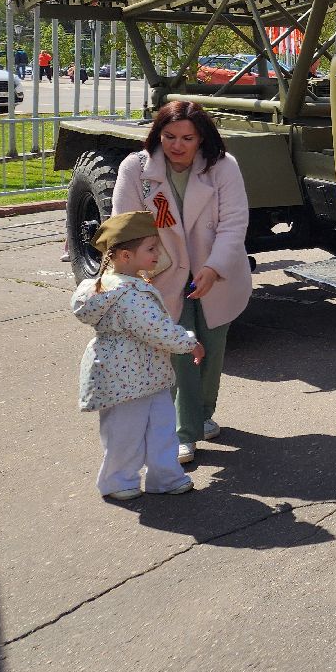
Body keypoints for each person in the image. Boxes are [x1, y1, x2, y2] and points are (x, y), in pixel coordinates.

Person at [111, 101, 252, 465]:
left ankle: (202, 414)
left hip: (216, 275)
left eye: (187, 138)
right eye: (169, 136)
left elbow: (234, 224)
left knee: (213, 350)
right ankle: (183, 432)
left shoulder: (223, 167)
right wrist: (134, 271)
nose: (177, 145)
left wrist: (214, 268)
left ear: (201, 138)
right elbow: (124, 226)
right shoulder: (136, 169)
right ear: (157, 135)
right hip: (162, 276)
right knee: (183, 350)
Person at [74, 210, 204, 501]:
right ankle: (119, 480)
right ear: (124, 255)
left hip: (148, 374)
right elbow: (156, 329)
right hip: (126, 377)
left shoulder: (125, 286)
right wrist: (189, 341)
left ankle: (165, 476)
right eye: (150, 248)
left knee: (160, 427)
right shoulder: (127, 294)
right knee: (126, 433)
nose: (157, 253)